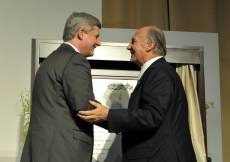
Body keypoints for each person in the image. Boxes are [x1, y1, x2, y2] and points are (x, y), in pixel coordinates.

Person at [78, 26, 197, 162]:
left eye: (133, 41)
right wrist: (103, 116)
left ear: (150, 45)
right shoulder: (158, 71)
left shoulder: (159, 73)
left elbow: (152, 116)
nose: (128, 47)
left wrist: (109, 115)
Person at [20, 12, 101, 162]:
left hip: (42, 149)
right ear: (81, 33)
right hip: (62, 151)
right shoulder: (75, 60)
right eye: (96, 36)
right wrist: (116, 120)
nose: (99, 42)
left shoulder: (50, 60)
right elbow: (84, 105)